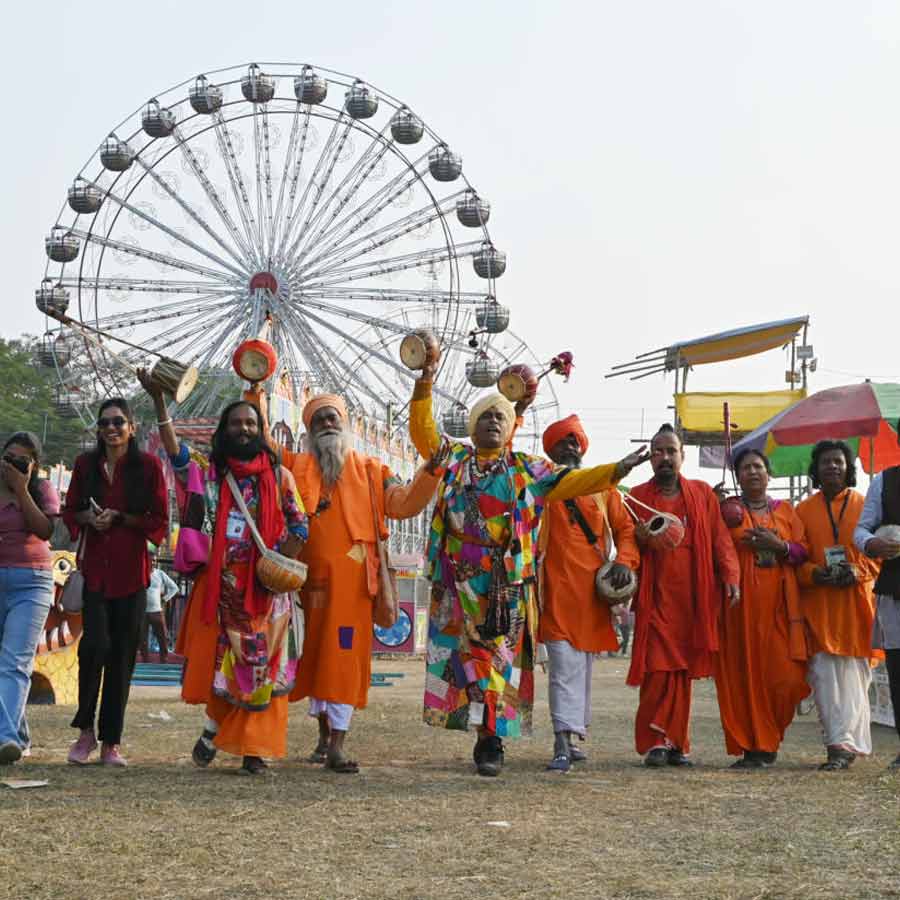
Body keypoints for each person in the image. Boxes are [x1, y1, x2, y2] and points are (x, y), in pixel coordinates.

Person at [410, 355, 648, 776]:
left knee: (497, 664)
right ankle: (483, 736)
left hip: (506, 587)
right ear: (474, 426)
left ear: (509, 430)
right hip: (458, 584)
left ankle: (491, 742)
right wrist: (425, 384)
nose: (494, 424)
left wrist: (616, 470)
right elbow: (424, 434)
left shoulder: (527, 469)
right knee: (468, 664)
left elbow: (572, 481)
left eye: (502, 420)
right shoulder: (453, 460)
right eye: (486, 418)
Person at [141, 373, 308, 776]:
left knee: (264, 666)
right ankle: (214, 728)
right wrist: (161, 403)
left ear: (261, 430)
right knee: (229, 665)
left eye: (251, 423)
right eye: (236, 423)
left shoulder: (281, 477)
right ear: (224, 431)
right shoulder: (211, 474)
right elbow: (175, 454)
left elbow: (300, 524)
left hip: (269, 593)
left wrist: (280, 562)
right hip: (224, 591)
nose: (244, 429)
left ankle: (253, 750)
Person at [274, 394, 443, 773]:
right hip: (307, 585)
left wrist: (429, 472)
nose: (328, 424)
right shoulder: (295, 464)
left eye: (333, 418)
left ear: (345, 424)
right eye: (319, 421)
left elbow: (402, 505)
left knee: (344, 661)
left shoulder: (371, 470)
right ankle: (322, 737)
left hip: (353, 589)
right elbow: (262, 448)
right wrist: (254, 387)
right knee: (316, 659)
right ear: (308, 430)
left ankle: (337, 743)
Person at [627, 424, 740, 768]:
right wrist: (640, 539)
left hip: (694, 599)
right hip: (656, 597)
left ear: (682, 455)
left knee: (681, 675)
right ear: (650, 457)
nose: (664, 457)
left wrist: (731, 576)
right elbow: (628, 542)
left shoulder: (703, 494)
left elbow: (720, 540)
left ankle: (677, 743)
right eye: (658, 451)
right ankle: (656, 741)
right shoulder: (636, 496)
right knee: (659, 669)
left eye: (670, 451)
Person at [63, 398, 168, 767]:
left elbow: (159, 519)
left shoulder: (149, 467)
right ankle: (85, 732)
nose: (111, 428)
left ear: (132, 427)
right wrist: (90, 519)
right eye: (105, 422)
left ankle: (111, 742)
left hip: (131, 574)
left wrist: (121, 517)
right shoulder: (84, 465)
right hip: (95, 572)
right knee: (93, 647)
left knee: (123, 655)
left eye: (118, 422)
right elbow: (69, 509)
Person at [536, 414, 639, 772]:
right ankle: (561, 740)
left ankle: (573, 734)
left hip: (593, 594)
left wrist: (625, 560)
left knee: (581, 668)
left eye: (574, 441)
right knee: (563, 666)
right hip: (553, 592)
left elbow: (627, 530)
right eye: (562, 442)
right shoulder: (542, 486)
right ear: (550, 449)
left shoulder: (603, 489)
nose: (569, 446)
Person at [714, 449, 809, 769]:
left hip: (780, 606)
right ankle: (754, 747)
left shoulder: (786, 512)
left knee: (788, 678)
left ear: (769, 475)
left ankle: (769, 737)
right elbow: (713, 549)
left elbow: (802, 552)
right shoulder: (729, 511)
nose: (753, 472)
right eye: (745, 468)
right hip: (737, 608)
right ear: (738, 476)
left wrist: (778, 545)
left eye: (758, 467)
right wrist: (713, 506)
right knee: (741, 677)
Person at [797, 440, 881, 770]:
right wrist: (815, 574)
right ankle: (837, 744)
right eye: (825, 462)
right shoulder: (802, 511)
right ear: (815, 470)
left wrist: (857, 571)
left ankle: (849, 742)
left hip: (856, 606)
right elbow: (797, 558)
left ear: (848, 468)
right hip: (819, 605)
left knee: (856, 679)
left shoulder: (865, 506)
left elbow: (879, 557)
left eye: (838, 462)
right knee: (823, 675)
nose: (832, 467)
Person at [0, 432, 59, 764]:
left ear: (34, 466)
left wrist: (21, 489)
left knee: (14, 663)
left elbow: (45, 530)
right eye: (9, 457)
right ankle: (18, 735)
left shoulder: (40, 490)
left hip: (31, 582)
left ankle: (5, 739)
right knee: (5, 665)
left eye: (22, 461)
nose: (13, 465)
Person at [854, 423, 900, 770]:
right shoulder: (884, 481)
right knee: (898, 670)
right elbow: (861, 529)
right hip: (894, 589)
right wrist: (871, 544)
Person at [140, 553, 179, 663]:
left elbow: (175, 588)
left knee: (162, 637)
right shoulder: (140, 573)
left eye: (153, 561)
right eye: (149, 560)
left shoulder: (160, 574)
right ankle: (144, 660)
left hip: (156, 611)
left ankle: (164, 659)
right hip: (142, 611)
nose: (152, 563)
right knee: (142, 639)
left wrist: (165, 599)